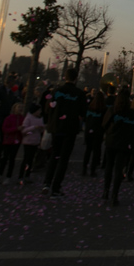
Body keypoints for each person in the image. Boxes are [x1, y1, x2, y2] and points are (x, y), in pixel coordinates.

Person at [42, 68, 87, 197]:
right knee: (63, 158)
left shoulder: (56, 91)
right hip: (70, 129)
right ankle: (56, 186)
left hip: (56, 128)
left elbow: (48, 108)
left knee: (54, 156)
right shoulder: (79, 93)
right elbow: (83, 112)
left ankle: (47, 183)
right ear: (75, 78)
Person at [102, 88, 134, 205]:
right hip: (124, 144)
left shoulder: (112, 110)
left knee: (109, 166)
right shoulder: (132, 114)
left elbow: (104, 124)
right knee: (119, 169)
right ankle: (115, 194)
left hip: (111, 142)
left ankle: (106, 191)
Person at [0, 102, 25, 185]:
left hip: (17, 141)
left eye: (22, 107)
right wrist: (16, 129)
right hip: (8, 140)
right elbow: (4, 129)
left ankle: (8, 176)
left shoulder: (23, 119)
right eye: (19, 107)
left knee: (12, 159)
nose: (20, 109)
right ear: (14, 108)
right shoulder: (9, 118)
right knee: (4, 158)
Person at [82, 89, 106, 177]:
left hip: (89, 131)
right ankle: (93, 169)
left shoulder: (90, 108)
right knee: (96, 151)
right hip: (98, 132)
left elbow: (85, 119)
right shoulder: (103, 109)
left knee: (88, 150)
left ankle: (84, 168)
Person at [19, 104, 45, 183]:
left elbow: (40, 131)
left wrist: (41, 129)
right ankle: (21, 176)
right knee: (26, 159)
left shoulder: (40, 119)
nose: (40, 112)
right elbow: (24, 130)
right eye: (38, 110)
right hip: (28, 141)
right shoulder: (28, 118)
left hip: (35, 141)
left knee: (31, 160)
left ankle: (27, 175)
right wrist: (34, 127)